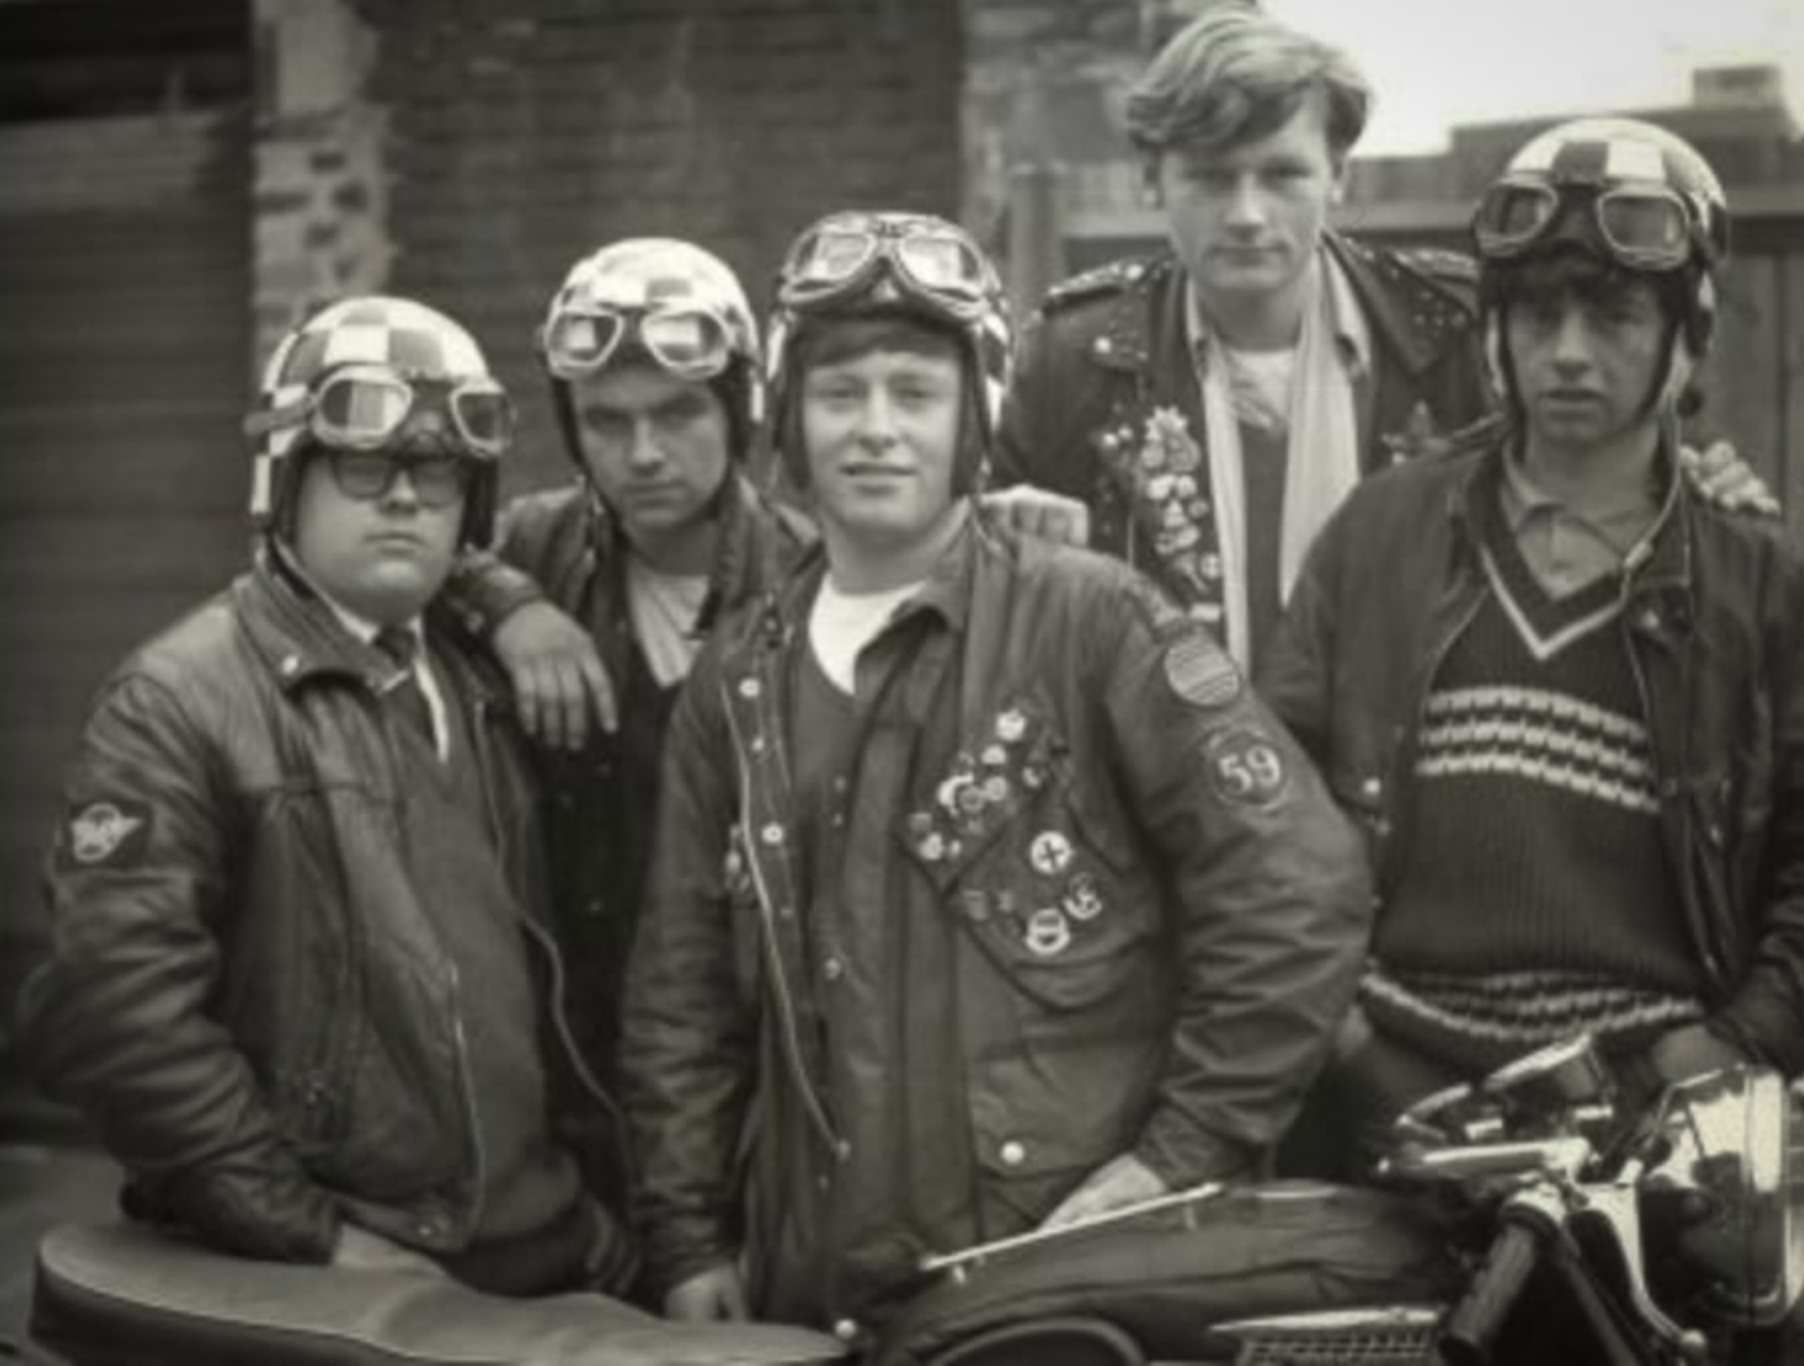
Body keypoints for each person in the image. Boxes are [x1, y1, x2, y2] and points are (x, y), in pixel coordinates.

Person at [618, 210, 1372, 1336]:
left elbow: (1296, 891)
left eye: (915, 393)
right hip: (809, 1287)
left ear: (974, 415)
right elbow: (679, 998)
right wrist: (686, 1236)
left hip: (1062, 1283)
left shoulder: (1093, 619)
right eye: (840, 393)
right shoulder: (736, 681)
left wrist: (1179, 1154)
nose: (876, 429)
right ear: (787, 418)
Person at [15, 297, 636, 1296]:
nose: (403, 496)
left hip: (557, 1248)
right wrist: (304, 1235)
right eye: (363, 464)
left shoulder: (488, 678)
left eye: (436, 471)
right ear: (287, 481)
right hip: (354, 1272)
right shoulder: (177, 699)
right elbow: (113, 1011)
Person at [1259, 119, 1804, 1165]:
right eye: (1535, 313)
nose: (1565, 351)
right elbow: (1265, 812)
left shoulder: (1759, 588)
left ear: (1685, 335)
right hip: (1385, 1093)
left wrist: (1728, 1048)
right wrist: (1342, 1036)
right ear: (1494, 332)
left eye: (1611, 317)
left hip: (1653, 1117)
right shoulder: (1380, 533)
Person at [994, 4, 1772, 672]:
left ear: (1340, 175)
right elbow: (994, 607)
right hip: (1161, 806)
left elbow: (1637, 479)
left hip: (1415, 798)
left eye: (1282, 175)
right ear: (1150, 180)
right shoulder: (1072, 357)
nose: (1246, 213)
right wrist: (1000, 535)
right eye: (1209, 176)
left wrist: (1704, 484)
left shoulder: (1465, 326)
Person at [447, 240, 811, 1196]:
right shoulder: (533, 544)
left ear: (739, 410)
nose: (643, 453)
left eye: (679, 413)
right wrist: (509, 604)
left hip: (752, 1080)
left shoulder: (811, 578)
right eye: (606, 421)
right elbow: (406, 551)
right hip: (564, 1079)